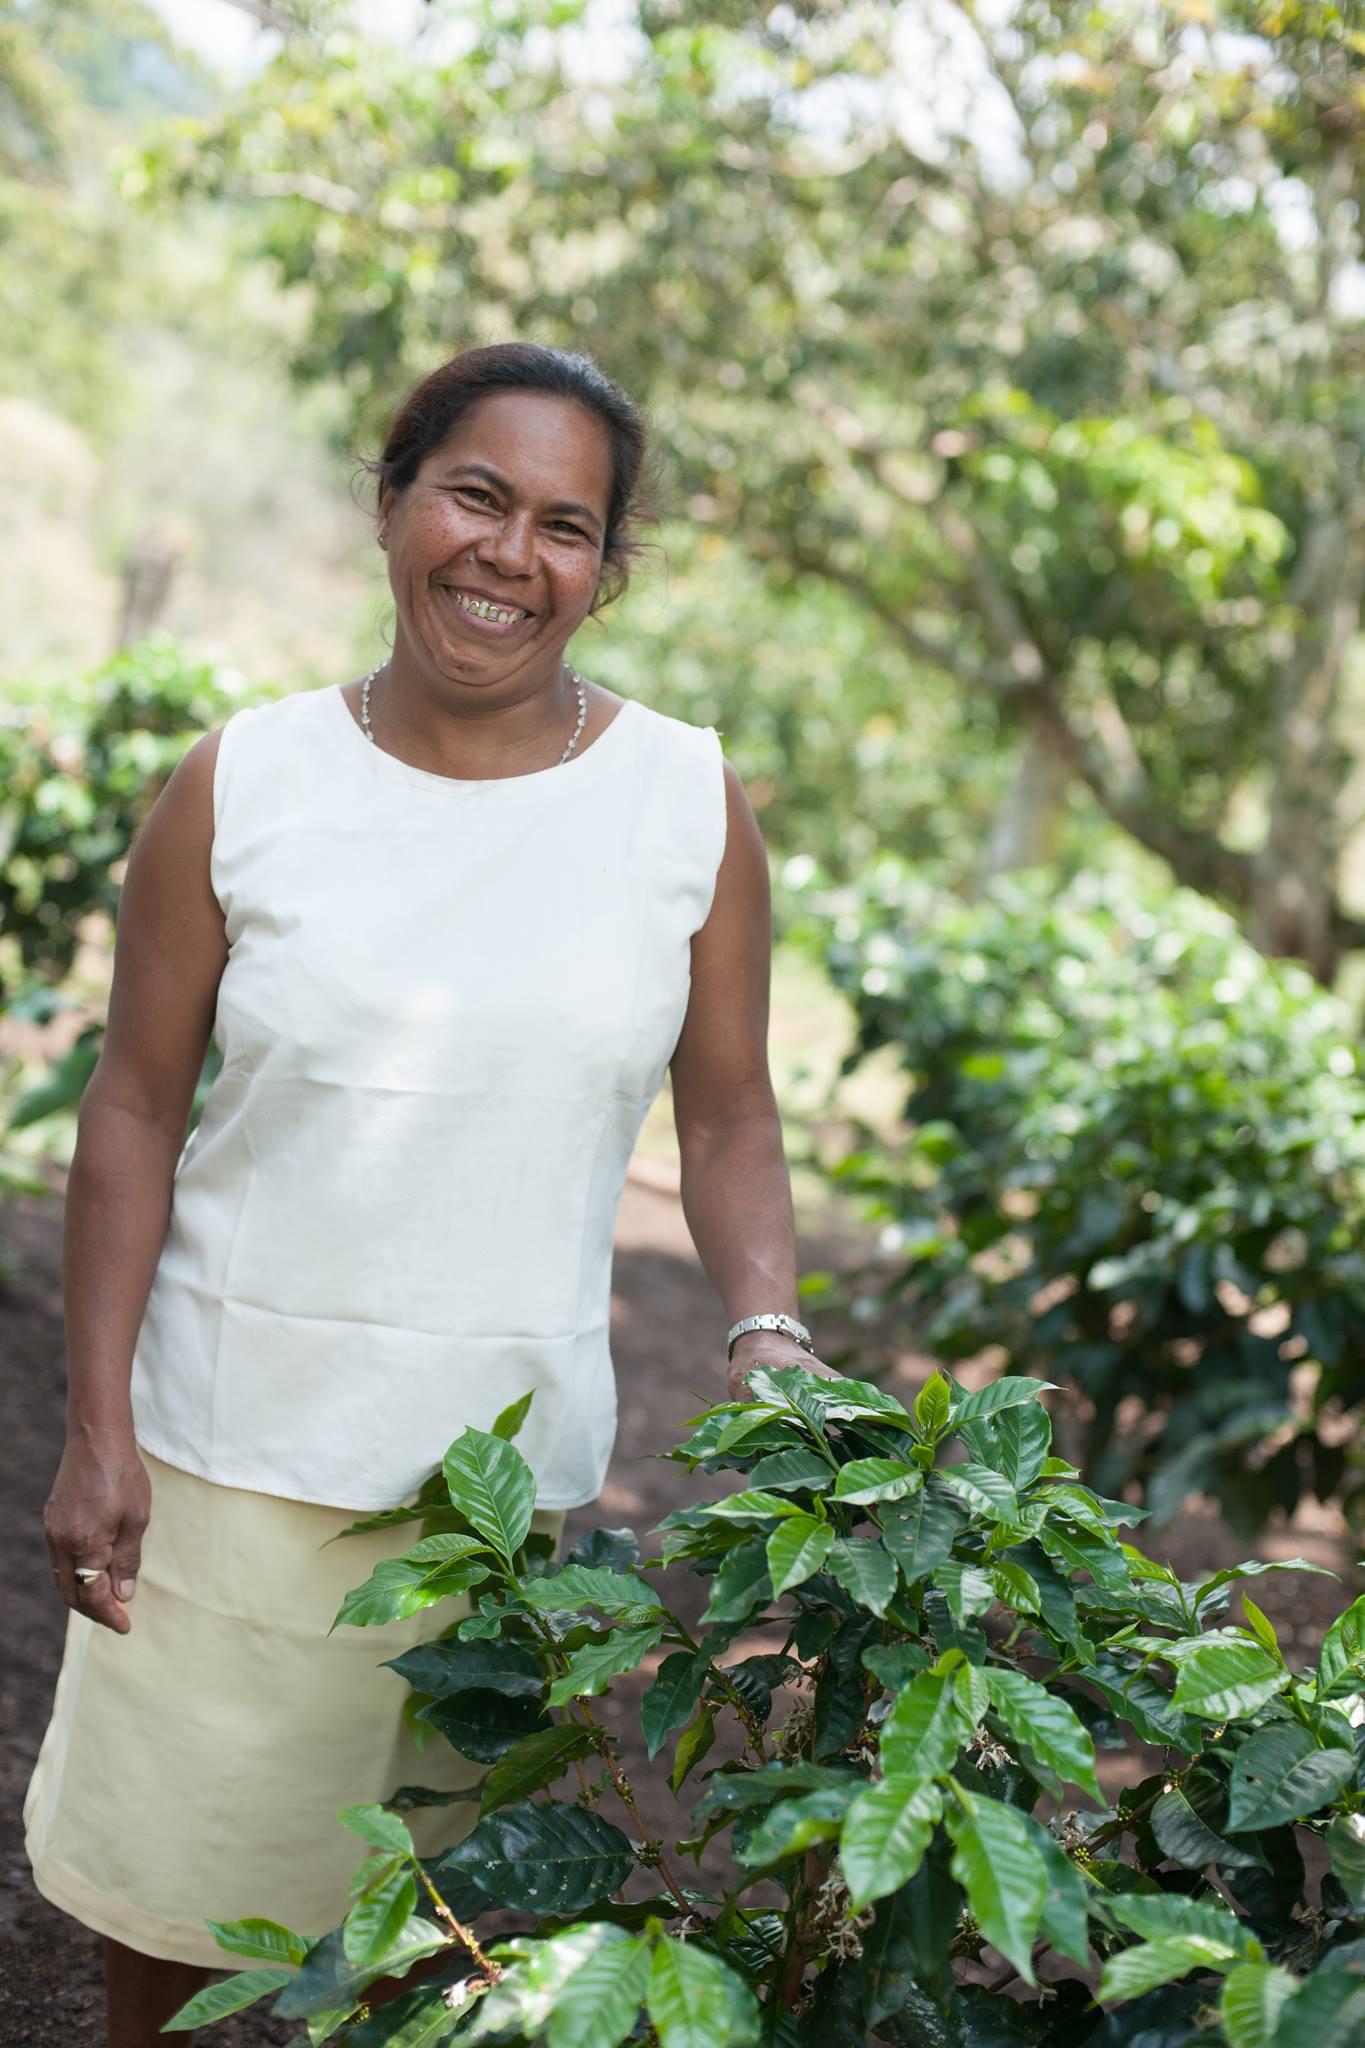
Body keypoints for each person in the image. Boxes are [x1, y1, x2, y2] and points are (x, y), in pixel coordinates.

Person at [24, 341, 838, 2047]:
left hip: (493, 1501)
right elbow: (135, 1108)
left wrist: (767, 1332)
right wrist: (98, 1430)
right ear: (392, 501)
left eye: (565, 526)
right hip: (226, 1456)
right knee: (170, 1914)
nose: (508, 554)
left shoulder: (680, 801)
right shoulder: (244, 783)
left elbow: (728, 1115)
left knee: (424, 1941)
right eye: (476, 495)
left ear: (605, 569)